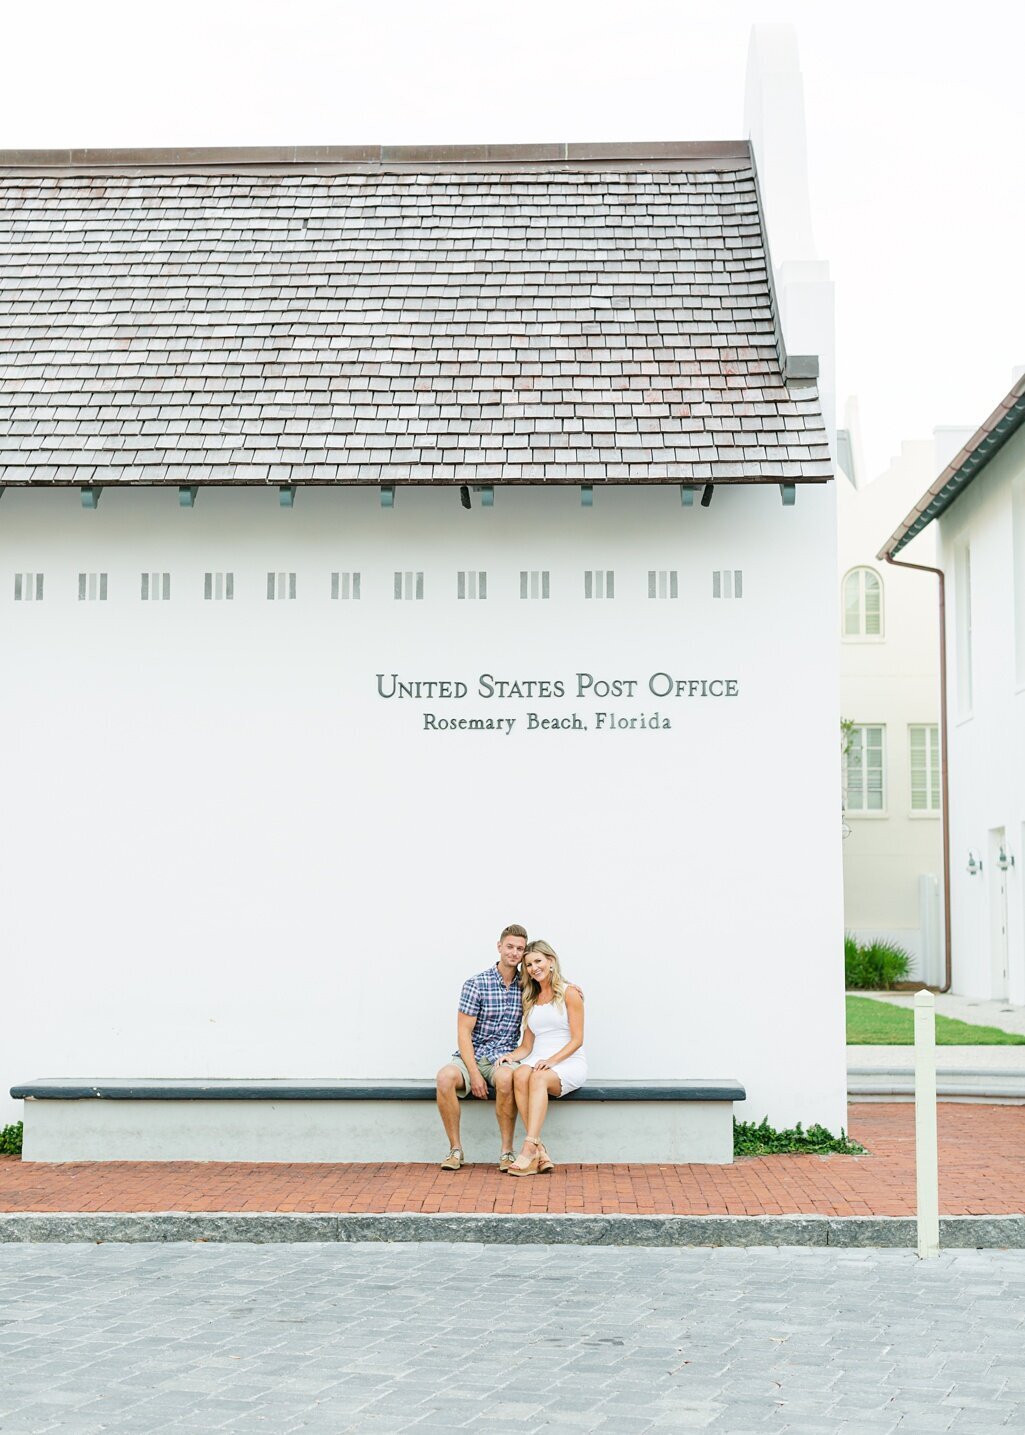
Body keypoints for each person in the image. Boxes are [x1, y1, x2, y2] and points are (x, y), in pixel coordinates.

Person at [435, 924, 528, 1172]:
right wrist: (474, 1073)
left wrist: (571, 988)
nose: (514, 952)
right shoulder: (476, 983)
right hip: (471, 1056)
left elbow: (552, 981)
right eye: (509, 946)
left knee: (508, 1078)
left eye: (520, 949)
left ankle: (507, 1152)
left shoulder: (527, 986)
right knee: (444, 1077)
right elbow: (463, 1033)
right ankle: (455, 1150)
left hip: (503, 1058)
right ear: (499, 947)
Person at [496, 939, 587, 1176]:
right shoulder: (530, 998)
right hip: (537, 1058)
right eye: (528, 964)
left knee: (536, 1078)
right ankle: (540, 1151)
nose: (533, 968)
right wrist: (509, 1056)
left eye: (538, 961)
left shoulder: (570, 993)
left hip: (566, 1060)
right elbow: (527, 1046)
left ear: (551, 961)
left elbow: (577, 1039)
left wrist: (553, 1061)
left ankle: (528, 1148)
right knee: (520, 1073)